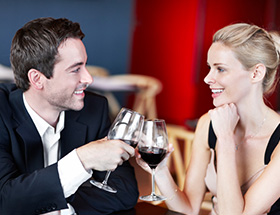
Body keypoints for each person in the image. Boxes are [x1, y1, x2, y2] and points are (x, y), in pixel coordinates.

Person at [136, 23, 280, 215]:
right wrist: (161, 171)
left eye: (220, 69)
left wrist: (226, 139)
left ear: (256, 73)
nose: (207, 78)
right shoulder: (208, 124)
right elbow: (188, 208)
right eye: (209, 67)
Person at [0, 17, 139, 215]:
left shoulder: (95, 108)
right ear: (37, 79)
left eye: (85, 65)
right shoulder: (2, 111)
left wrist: (55, 207)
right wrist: (82, 159)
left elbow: (125, 190)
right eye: (75, 69)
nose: (88, 78)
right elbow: (5, 201)